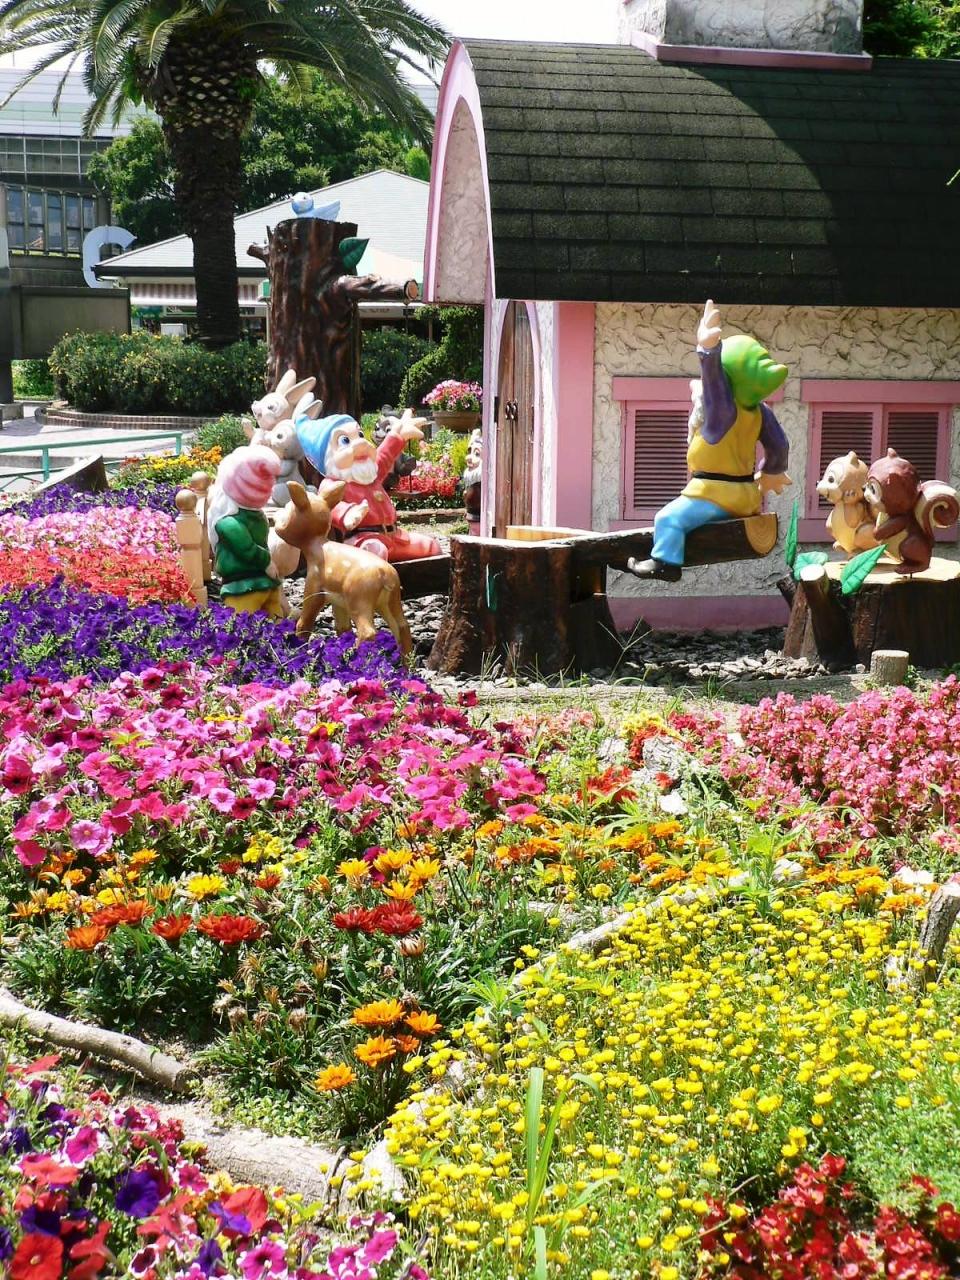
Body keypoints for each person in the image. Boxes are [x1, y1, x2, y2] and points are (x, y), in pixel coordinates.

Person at [630, 300, 791, 582]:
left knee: (667, 519)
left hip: (716, 493)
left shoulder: (723, 412)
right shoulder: (760, 412)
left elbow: (715, 386)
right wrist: (771, 473)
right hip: (746, 495)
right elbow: (780, 446)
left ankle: (665, 563)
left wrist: (707, 351)